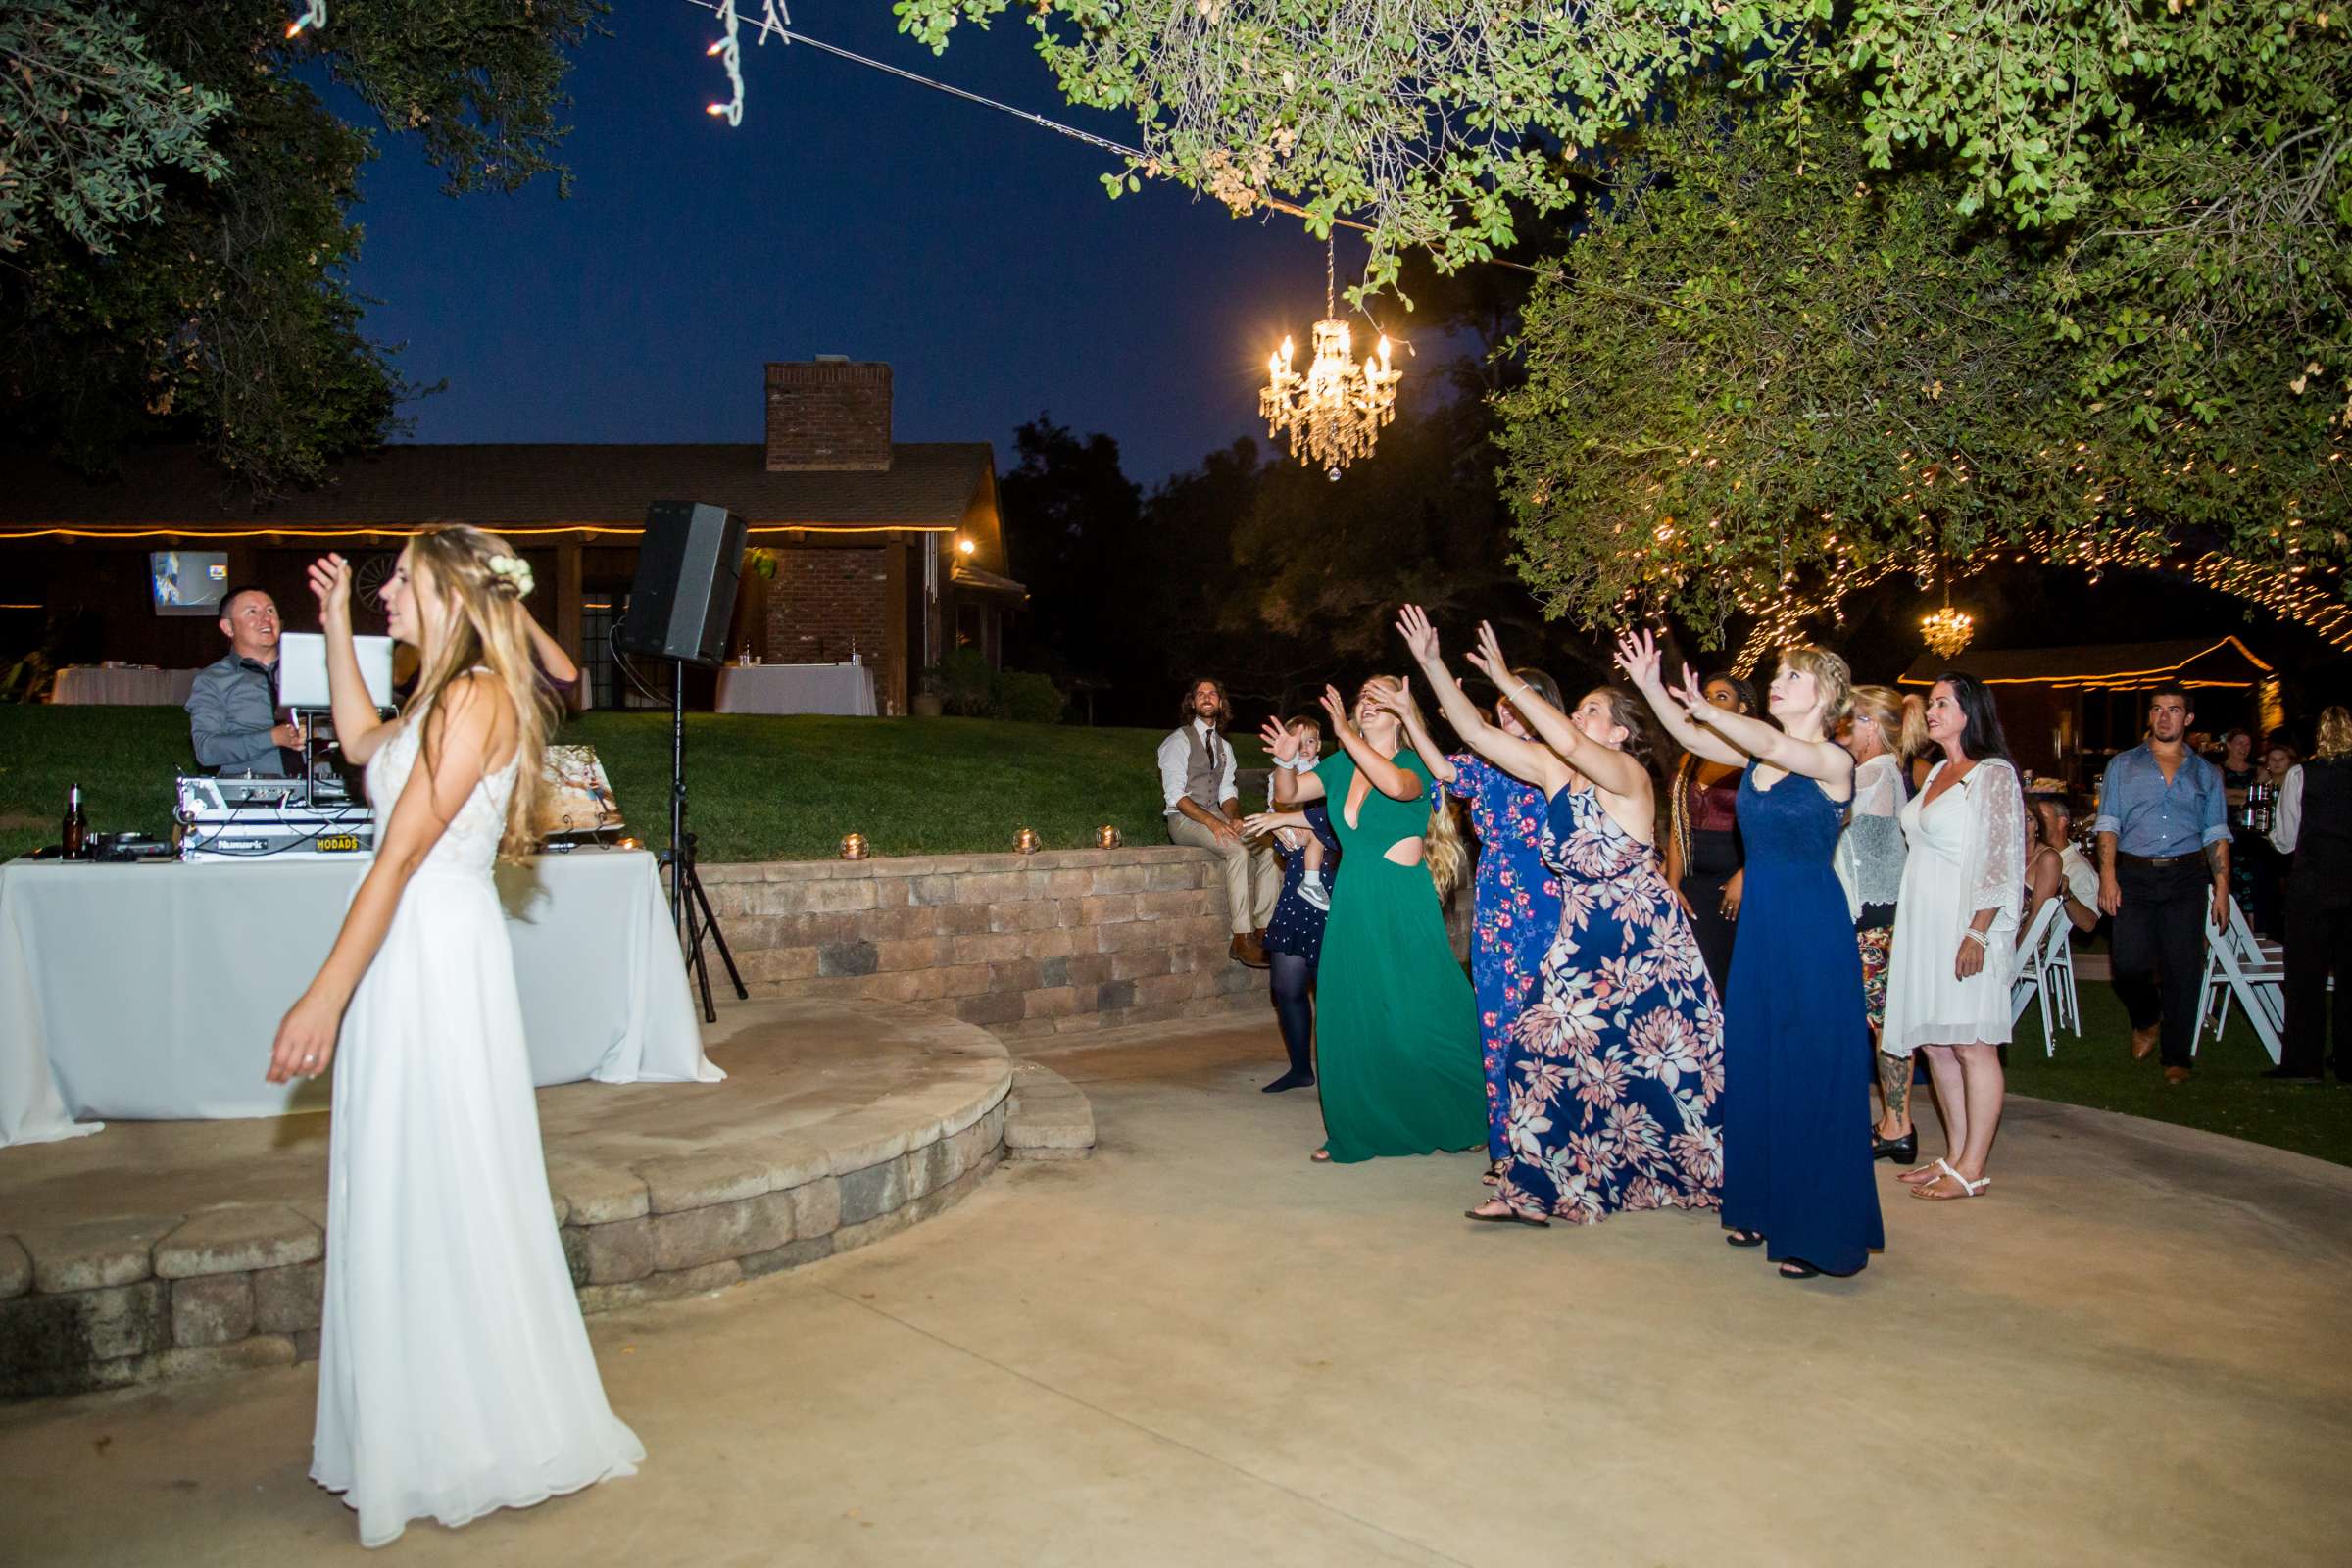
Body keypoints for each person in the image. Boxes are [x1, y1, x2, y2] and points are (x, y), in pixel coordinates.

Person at [268, 530, 642, 1546]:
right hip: (406, 951)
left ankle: (477, 1425)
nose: (385, 590)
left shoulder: (478, 695)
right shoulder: (433, 699)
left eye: (395, 579)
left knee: (445, 1173)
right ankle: (411, 1420)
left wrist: (323, 998)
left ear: (443, 589)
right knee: (398, 1174)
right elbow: (356, 745)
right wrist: (336, 623)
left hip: (431, 953)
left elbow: (398, 859)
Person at [1397, 610, 1722, 1226]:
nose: (1581, 717)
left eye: (1596, 710)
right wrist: (1433, 663)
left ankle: (1714, 1172)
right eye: (1583, 708)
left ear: (1622, 733)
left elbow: (1570, 741)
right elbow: (1474, 734)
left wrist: (1505, 677)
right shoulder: (1554, 772)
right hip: (1582, 935)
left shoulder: (1626, 775)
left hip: (1643, 940)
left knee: (1668, 1068)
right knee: (1539, 1058)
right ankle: (1533, 1190)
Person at [1621, 631, 1883, 1280]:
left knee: (1810, 1067)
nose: (1778, 683)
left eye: (1793, 677)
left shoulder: (1832, 760)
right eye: (1779, 675)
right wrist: (1654, 686)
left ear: (1824, 695)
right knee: (1760, 1060)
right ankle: (1765, 1204)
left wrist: (1707, 706)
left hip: (1810, 928)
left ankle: (1820, 1232)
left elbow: (1765, 741)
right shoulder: (1760, 759)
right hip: (1763, 928)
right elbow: (1699, 742)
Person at [1263, 677, 1484, 1162]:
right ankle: (1356, 1128)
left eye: (1379, 698)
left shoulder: (1413, 764)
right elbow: (1292, 792)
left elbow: (1394, 786)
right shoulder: (1341, 764)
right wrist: (1284, 759)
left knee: (1426, 1006)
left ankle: (1471, 1110)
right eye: (1362, 696)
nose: (1366, 703)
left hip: (1400, 901)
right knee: (1352, 1010)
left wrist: (1343, 732)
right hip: (1353, 899)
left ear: (1402, 713)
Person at [1383, 640, 1567, 1183]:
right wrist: (1409, 715)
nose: (1508, 710)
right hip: (1494, 903)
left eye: (1521, 701)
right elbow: (1440, 764)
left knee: (1546, 1022)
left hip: (1546, 899)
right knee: (1497, 1023)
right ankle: (1505, 1148)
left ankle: (1553, 1143)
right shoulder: (1483, 764)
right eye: (1505, 702)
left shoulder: (1556, 758)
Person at [1881, 674, 2027, 1201]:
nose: (1932, 711)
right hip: (1924, 924)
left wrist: (1978, 933)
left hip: (1965, 925)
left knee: (1972, 1045)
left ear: (1970, 712)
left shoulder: (1993, 775)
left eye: (1943, 702)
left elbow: (2000, 858)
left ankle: (1974, 1167)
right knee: (1939, 1044)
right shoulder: (1940, 770)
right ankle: (1956, 1154)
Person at [2094, 683, 2230, 1085]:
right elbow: (2108, 823)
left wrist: (2221, 889)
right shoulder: (2124, 765)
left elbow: (2216, 832)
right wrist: (2107, 875)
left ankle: (2177, 1057)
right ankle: (2147, 1018)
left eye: (2173, 710)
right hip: (2135, 872)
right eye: (2157, 709)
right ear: (2150, 716)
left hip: (2187, 875)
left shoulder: (2206, 773)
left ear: (2187, 719)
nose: (2164, 717)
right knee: (2128, 964)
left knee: (2183, 967)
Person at [1839, 686, 1923, 1162]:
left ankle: (1897, 1125)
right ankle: (1895, 1122)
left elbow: (1831, 820)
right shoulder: (1883, 771)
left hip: (1875, 916)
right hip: (1873, 912)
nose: (1840, 727)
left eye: (1849, 719)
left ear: (1870, 724)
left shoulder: (1872, 774)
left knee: (1885, 1022)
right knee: (1882, 1020)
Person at [1242, 716, 1342, 1094]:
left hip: (1336, 888)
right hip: (1298, 890)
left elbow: (1341, 828)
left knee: (1334, 988)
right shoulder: (1287, 785)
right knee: (1285, 986)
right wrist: (1284, 830)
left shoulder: (1333, 776)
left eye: (1312, 741)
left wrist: (1311, 829)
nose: (1304, 747)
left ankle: (1342, 1070)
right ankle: (1300, 1068)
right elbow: (1283, 839)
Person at [1159, 677, 1280, 966]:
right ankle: (1241, 938)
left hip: (1216, 814)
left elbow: (1227, 792)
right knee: (1237, 850)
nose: (1207, 697)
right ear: (1192, 703)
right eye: (1200, 694)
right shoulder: (1177, 741)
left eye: (1212, 693)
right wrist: (1214, 824)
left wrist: (1234, 818)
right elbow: (1175, 796)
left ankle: (1265, 931)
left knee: (1267, 849)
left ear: (1221, 703)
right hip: (1184, 819)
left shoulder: (1225, 746)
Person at [2268, 707, 2352, 1083]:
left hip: (2313, 887)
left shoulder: (2303, 775)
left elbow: (2285, 841)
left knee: (2306, 978)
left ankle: (2303, 1063)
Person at [1664, 672, 1757, 995]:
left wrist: (1746, 875)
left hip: (1733, 884)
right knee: (1691, 975)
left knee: (1727, 975)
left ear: (1742, 708)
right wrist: (1673, 883)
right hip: (1692, 884)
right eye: (1707, 695)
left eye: (1722, 696)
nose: (1711, 701)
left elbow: (1772, 824)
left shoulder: (1754, 759)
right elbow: (1679, 823)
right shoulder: (1690, 758)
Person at [187, 584, 303, 776]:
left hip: (322, 796)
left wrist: (315, 735)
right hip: (248, 798)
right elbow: (206, 750)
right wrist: (272, 738)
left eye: (270, 610)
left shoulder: (308, 672)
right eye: (252, 612)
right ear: (228, 627)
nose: (265, 618)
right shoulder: (213, 680)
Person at [2023, 787, 2101, 940]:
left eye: (2041, 818)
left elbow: (2089, 923)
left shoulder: (2077, 867)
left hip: (2034, 942)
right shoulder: (2026, 855)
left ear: (2062, 822)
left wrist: (2066, 895)